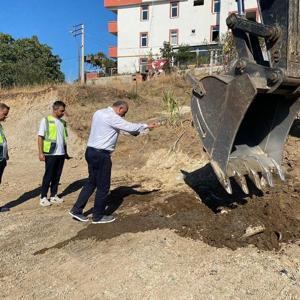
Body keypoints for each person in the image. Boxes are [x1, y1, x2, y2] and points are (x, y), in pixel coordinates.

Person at [69, 100, 157, 224]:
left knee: (91, 182)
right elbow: (129, 126)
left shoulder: (99, 113)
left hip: (91, 152)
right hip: (101, 155)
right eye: (124, 113)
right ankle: (97, 216)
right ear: (120, 109)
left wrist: (139, 132)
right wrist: (146, 126)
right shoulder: (111, 116)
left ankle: (76, 210)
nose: (123, 116)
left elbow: (122, 130)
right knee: (103, 187)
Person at [38, 100, 70, 207]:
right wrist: (40, 153)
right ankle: (43, 197)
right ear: (55, 109)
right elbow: (40, 137)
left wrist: (66, 152)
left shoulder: (63, 123)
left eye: (63, 111)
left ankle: (53, 195)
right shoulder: (46, 120)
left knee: (57, 175)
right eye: (61, 111)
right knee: (48, 175)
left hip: (61, 154)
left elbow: (64, 139)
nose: (63, 113)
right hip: (51, 153)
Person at [0, 103, 10, 212]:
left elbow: (2, 141)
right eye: (4, 114)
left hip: (1, 159)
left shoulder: (0, 126)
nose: (5, 116)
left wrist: (6, 154)